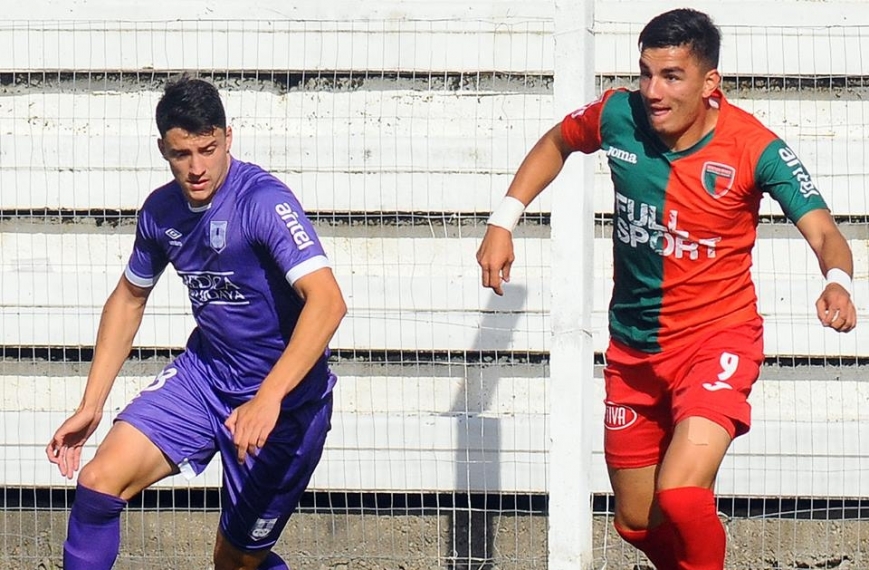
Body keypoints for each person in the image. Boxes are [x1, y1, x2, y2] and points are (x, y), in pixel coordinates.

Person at [477, 8, 856, 570]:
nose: (653, 91)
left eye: (672, 76)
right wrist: (504, 220)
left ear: (709, 84)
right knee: (636, 523)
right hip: (633, 351)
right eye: (646, 73)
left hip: (716, 342)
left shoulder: (755, 148)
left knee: (680, 494)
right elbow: (557, 141)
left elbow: (825, 229)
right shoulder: (616, 115)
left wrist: (838, 282)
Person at [46, 76, 347, 570]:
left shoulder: (263, 202)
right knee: (99, 481)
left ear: (229, 137)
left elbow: (328, 302)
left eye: (208, 149)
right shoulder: (161, 211)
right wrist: (91, 404)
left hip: (286, 405)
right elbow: (128, 298)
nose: (197, 168)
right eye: (181, 154)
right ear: (162, 148)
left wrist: (268, 398)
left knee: (232, 563)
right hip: (204, 379)